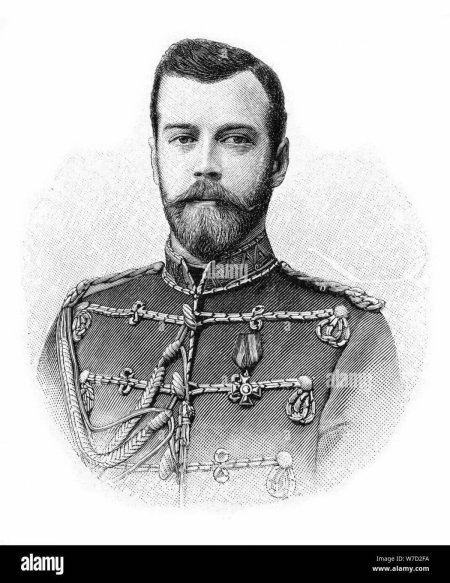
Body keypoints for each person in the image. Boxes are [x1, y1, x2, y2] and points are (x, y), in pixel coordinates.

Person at [39, 38, 401, 506]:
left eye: (235, 140)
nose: (205, 166)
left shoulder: (355, 335)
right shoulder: (81, 324)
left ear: (278, 162)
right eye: (183, 139)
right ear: (155, 157)